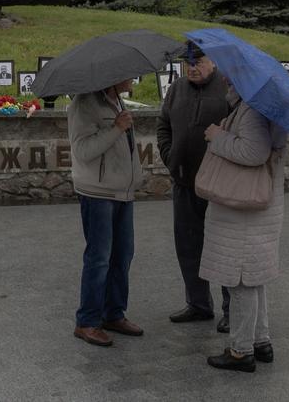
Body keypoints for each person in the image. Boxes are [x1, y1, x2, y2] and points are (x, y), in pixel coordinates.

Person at [200, 87, 288, 373]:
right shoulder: (265, 106)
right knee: (254, 278)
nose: (225, 79)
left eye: (231, 73)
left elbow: (254, 152)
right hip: (260, 207)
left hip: (244, 211)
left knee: (239, 281)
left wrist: (217, 136)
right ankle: (261, 341)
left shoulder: (251, 109)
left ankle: (241, 351)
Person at [157, 42, 232, 332]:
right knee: (188, 246)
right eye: (187, 62)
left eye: (198, 61)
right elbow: (163, 125)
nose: (192, 67)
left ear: (213, 61)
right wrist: (169, 155)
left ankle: (231, 308)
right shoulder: (176, 89)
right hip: (184, 181)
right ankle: (198, 304)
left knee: (222, 248)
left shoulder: (226, 88)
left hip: (218, 185)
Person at [67, 76, 145, 347]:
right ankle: (87, 321)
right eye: (128, 75)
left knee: (123, 254)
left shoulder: (115, 99)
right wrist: (116, 128)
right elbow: (82, 150)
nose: (133, 79)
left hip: (123, 191)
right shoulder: (84, 103)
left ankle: (114, 314)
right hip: (97, 192)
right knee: (99, 258)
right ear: (113, 76)